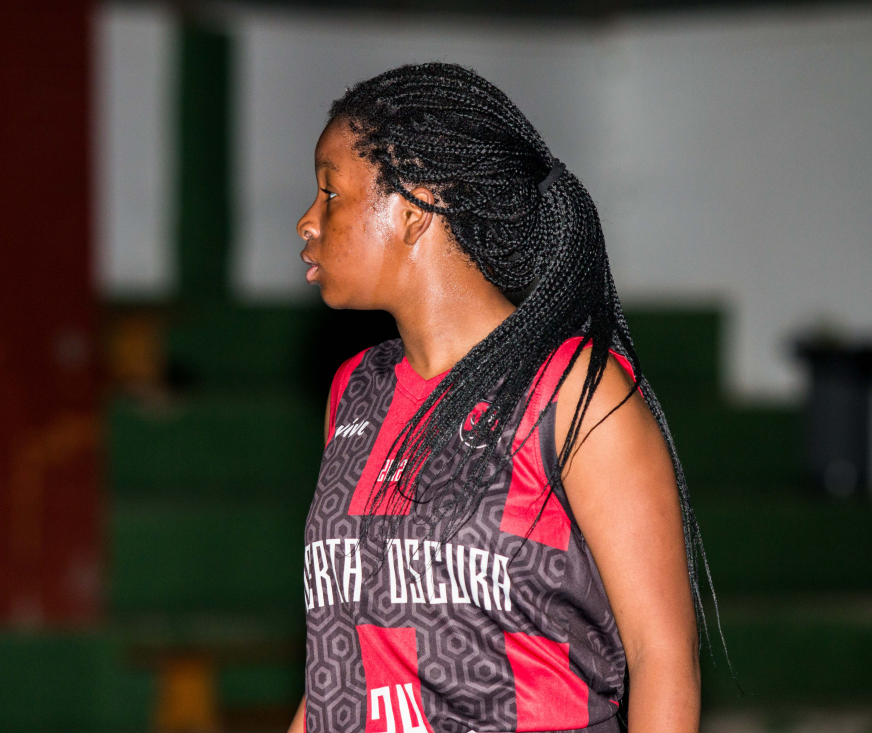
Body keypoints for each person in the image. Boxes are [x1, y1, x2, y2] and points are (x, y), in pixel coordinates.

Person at [289, 63, 709, 733]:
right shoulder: (356, 390)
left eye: (330, 192)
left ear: (415, 209)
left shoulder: (575, 392)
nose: (307, 221)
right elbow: (338, 666)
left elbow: (662, 658)